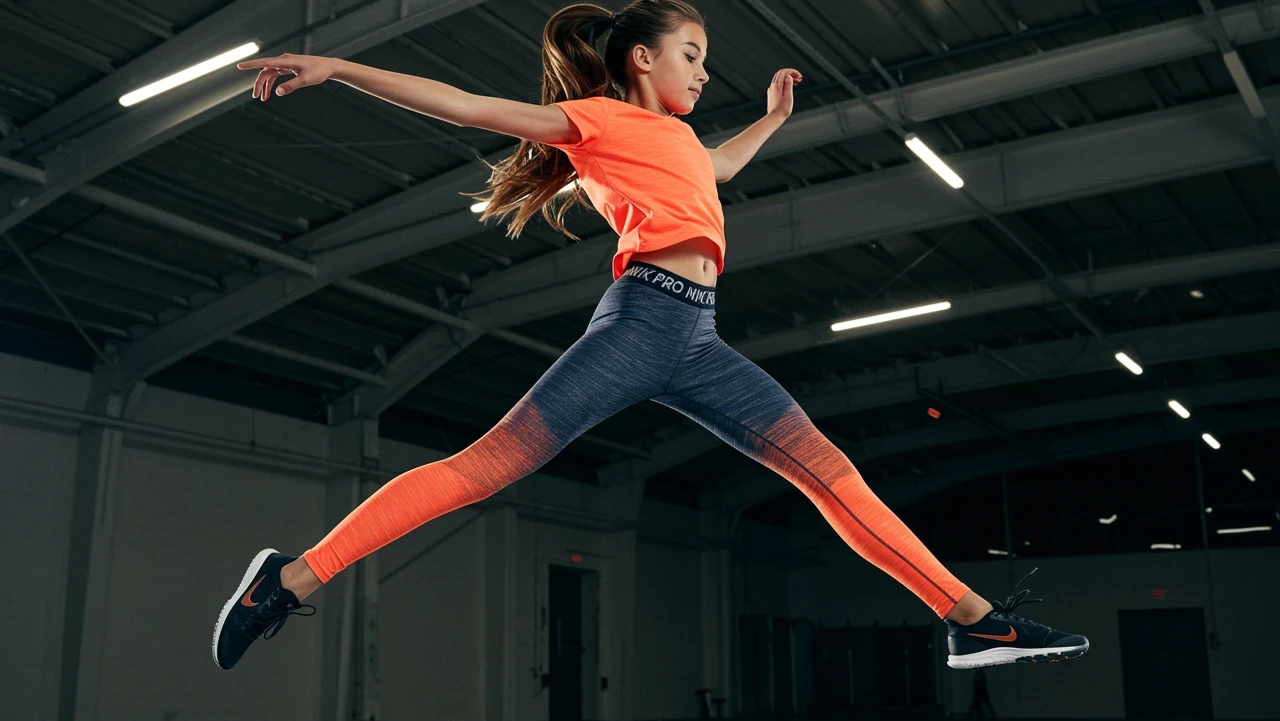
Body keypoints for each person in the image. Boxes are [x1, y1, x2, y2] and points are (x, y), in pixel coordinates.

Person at [213, 0, 1089, 673]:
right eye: (693, 54)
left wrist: (774, 119)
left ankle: (974, 623)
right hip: (640, 324)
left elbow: (720, 165)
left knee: (830, 473)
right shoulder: (602, 122)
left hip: (699, 340)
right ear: (643, 58)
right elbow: (471, 107)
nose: (705, 72)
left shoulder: (676, 141)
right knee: (487, 468)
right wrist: (338, 66)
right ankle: (287, 580)